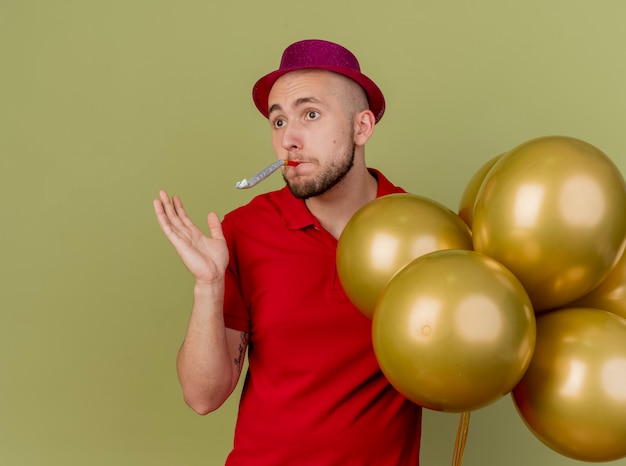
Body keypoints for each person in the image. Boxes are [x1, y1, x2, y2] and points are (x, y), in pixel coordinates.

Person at [153, 39, 422, 465]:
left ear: (362, 126)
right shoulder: (244, 230)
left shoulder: (419, 232)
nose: (288, 140)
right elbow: (202, 397)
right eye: (278, 122)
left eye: (310, 115)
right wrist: (208, 285)